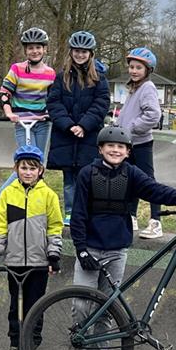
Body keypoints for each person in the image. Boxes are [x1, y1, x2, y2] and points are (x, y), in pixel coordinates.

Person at [70, 125, 176, 350]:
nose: (115, 150)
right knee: (80, 305)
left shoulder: (131, 174)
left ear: (128, 152)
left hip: (116, 251)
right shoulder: (88, 174)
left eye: (120, 147)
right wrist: (81, 248)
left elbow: (155, 190)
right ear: (100, 149)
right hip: (90, 249)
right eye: (110, 146)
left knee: (107, 309)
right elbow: (77, 215)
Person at [0, 145, 63, 350]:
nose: (28, 172)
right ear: (16, 169)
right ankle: (15, 345)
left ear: (40, 170)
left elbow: (55, 227)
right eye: (23, 168)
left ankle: (31, 345)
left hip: (39, 264)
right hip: (15, 262)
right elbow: (0, 228)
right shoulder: (8, 194)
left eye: (32, 168)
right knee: (16, 307)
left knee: (35, 306)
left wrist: (53, 255)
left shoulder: (48, 195)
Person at [46, 31, 110, 226]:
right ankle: (69, 211)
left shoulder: (99, 79)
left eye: (84, 51)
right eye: (77, 51)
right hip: (66, 136)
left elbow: (101, 104)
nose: (80, 55)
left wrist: (83, 125)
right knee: (69, 178)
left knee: (88, 176)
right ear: (71, 52)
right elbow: (54, 103)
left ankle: (86, 212)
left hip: (88, 136)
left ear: (90, 54)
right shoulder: (61, 78)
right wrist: (69, 125)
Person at [116, 47, 163, 239]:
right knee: (130, 179)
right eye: (131, 67)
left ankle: (156, 221)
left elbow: (153, 115)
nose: (134, 71)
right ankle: (131, 216)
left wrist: (132, 127)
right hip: (129, 143)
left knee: (148, 181)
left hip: (141, 142)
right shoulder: (134, 88)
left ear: (147, 70)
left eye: (138, 68)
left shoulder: (147, 88)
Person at [0, 27, 56, 152]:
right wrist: (9, 113)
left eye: (38, 47)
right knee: (27, 156)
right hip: (22, 122)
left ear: (44, 49)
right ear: (26, 50)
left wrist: (51, 114)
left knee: (39, 159)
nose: (35, 51)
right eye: (30, 48)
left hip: (42, 123)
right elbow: (4, 94)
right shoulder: (17, 69)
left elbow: (53, 99)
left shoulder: (50, 73)